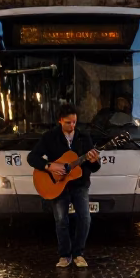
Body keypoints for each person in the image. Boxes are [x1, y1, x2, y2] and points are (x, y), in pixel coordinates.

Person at [28, 104, 102, 268]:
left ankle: (78, 254)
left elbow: (95, 167)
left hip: (79, 184)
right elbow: (32, 158)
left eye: (74, 122)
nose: (72, 126)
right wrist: (49, 166)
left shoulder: (84, 137)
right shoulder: (50, 137)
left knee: (85, 218)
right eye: (68, 122)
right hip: (57, 185)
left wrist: (93, 160)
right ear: (60, 121)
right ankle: (64, 255)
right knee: (61, 220)